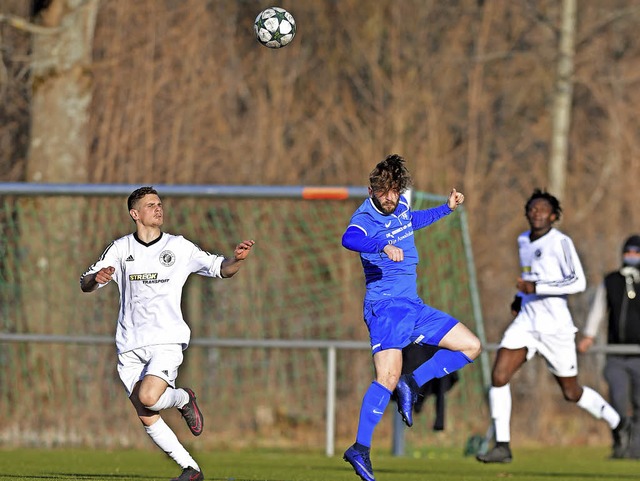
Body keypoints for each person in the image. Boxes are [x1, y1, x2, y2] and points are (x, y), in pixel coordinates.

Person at [80, 186, 255, 481]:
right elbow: (86, 282)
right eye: (150, 205)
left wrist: (236, 260)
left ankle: (183, 398)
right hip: (129, 344)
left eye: (159, 204)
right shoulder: (121, 248)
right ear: (135, 214)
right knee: (145, 410)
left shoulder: (179, 246)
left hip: (166, 340)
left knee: (148, 396)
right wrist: (96, 279)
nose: (158, 208)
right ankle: (191, 469)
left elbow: (219, 268)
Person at [340, 154, 481, 481]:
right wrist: (381, 246)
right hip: (385, 307)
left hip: (413, 306)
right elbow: (350, 238)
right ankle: (360, 448)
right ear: (372, 189)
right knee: (386, 377)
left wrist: (447, 209)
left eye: (394, 191)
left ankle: (413, 383)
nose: (389, 197)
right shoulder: (365, 216)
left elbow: (413, 220)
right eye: (383, 191)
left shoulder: (400, 208)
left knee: (471, 346)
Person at [476, 189, 630, 464]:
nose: (537, 213)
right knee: (499, 377)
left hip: (555, 327)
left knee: (571, 393)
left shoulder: (561, 243)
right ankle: (502, 445)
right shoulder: (523, 240)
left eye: (543, 209)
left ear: (554, 216)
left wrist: (537, 287)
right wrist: (519, 297)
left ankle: (617, 422)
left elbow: (578, 282)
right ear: (526, 213)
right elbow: (529, 275)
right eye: (532, 209)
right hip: (526, 321)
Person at [578, 234, 640, 459]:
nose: (631, 257)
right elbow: (598, 310)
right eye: (628, 252)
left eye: (636, 253)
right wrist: (589, 336)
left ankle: (636, 450)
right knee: (618, 400)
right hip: (615, 354)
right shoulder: (612, 280)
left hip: (639, 355)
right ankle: (620, 444)